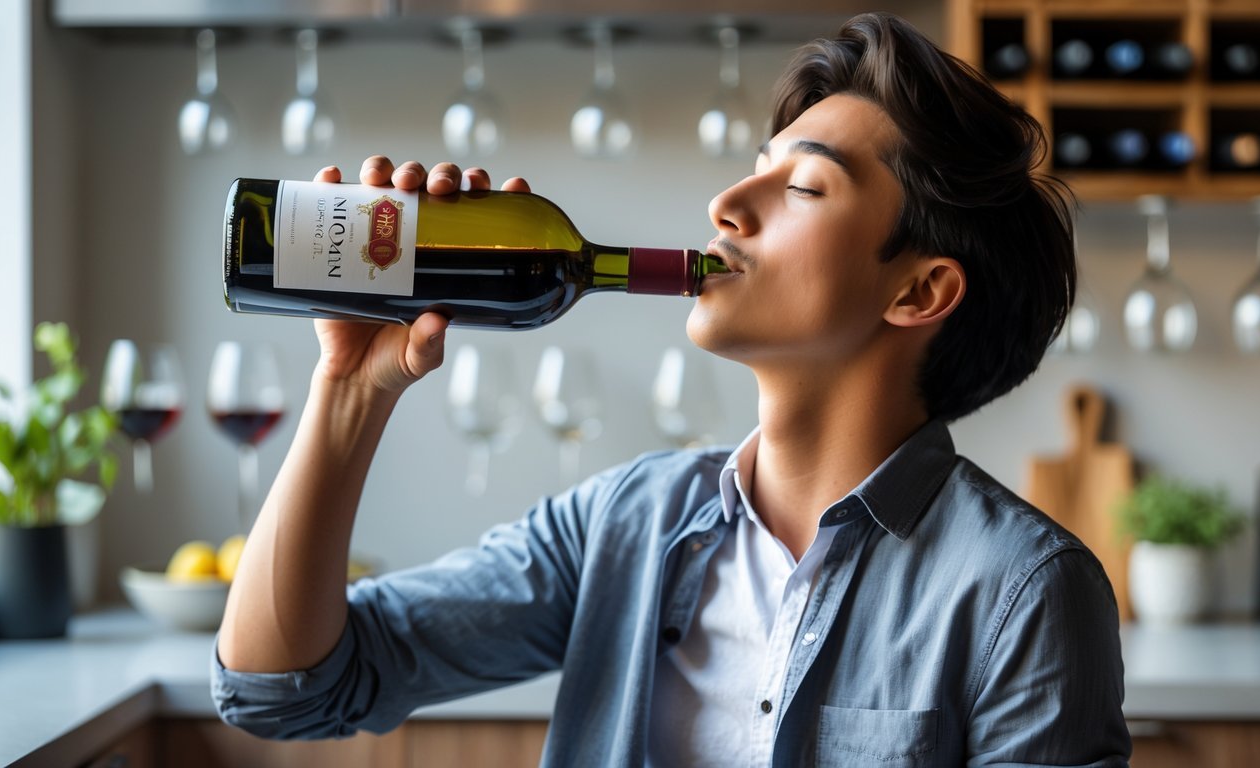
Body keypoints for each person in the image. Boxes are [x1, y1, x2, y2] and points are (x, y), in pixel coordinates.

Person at [213, 12, 1131, 766]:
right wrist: (350, 388)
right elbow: (284, 690)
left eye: (804, 187)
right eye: (757, 165)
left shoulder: (1021, 593)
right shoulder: (623, 525)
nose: (728, 203)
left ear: (920, 291)